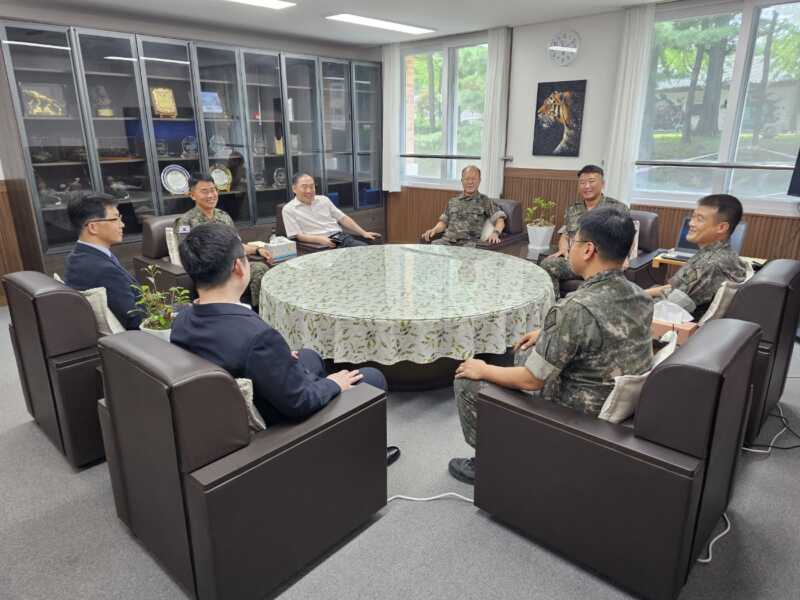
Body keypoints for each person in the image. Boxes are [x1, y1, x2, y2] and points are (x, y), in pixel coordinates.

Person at [448, 208, 653, 484]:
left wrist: (482, 368)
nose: (568, 247)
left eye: (573, 241)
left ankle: (490, 460)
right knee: (523, 351)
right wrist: (546, 331)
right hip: (613, 401)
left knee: (466, 378)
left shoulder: (574, 308)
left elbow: (532, 381)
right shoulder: (640, 295)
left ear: (589, 249)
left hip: (576, 416)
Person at [171, 223, 400, 465]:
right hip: (278, 420)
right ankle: (367, 456)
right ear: (238, 266)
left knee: (310, 355)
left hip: (238, 401)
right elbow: (299, 402)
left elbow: (231, 352)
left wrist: (276, 358)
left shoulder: (183, 319)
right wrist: (333, 383)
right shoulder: (257, 337)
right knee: (372, 378)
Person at [175, 174, 272, 307]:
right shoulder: (185, 222)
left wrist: (257, 249)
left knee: (260, 269)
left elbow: (236, 245)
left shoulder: (223, 216)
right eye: (205, 191)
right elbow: (187, 255)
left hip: (232, 266)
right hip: (210, 271)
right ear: (192, 195)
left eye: (213, 190)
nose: (211, 195)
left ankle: (258, 310)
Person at [644, 194, 747, 319]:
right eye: (693, 217)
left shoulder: (710, 264)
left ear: (721, 227)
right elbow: (676, 288)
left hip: (675, 325)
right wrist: (642, 293)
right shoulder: (720, 253)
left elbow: (668, 310)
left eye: (700, 219)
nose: (691, 223)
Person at [539, 165, 628, 297]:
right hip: (576, 260)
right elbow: (566, 233)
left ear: (602, 184)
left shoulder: (617, 208)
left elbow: (625, 237)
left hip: (602, 262)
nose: (586, 186)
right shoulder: (572, 209)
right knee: (547, 265)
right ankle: (555, 306)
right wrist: (563, 249)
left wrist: (622, 257)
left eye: (591, 181)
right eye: (582, 183)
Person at [64, 192, 142, 330]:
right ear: (93, 227)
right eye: (115, 219)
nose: (122, 224)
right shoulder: (103, 270)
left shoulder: (76, 256)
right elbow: (135, 320)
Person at [282, 173, 381, 248]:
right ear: (294, 189)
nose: (309, 190)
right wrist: (319, 239)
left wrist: (363, 233)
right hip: (318, 245)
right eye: (304, 187)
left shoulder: (323, 200)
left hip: (340, 238)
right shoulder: (289, 209)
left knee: (368, 251)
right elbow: (297, 235)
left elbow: (343, 218)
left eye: (312, 186)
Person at [421, 165, 506, 246]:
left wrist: (495, 233)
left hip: (467, 245)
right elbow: (443, 222)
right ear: (462, 181)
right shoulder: (453, 201)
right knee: (427, 251)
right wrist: (434, 230)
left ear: (479, 181)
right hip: (446, 242)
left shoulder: (485, 201)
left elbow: (500, 220)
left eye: (474, 179)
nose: (470, 182)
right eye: (467, 179)